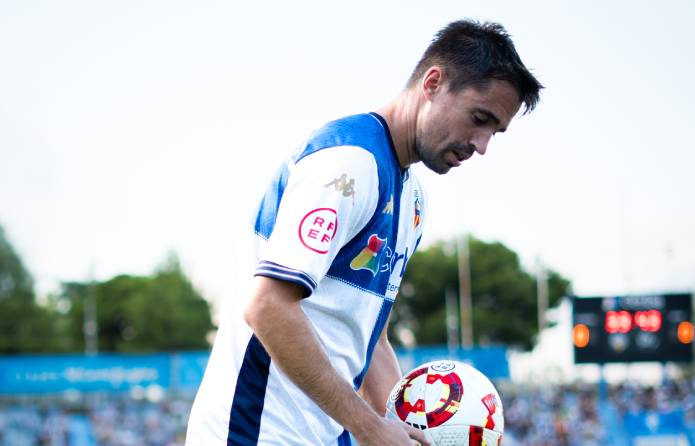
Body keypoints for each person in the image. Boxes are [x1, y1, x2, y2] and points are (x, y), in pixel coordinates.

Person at [186, 19, 542, 446]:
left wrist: (409, 425)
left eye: (494, 132)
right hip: (251, 434)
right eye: (479, 118)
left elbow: (369, 339)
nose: (481, 145)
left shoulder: (413, 200)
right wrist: (371, 428)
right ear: (433, 83)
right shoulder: (347, 163)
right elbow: (268, 307)